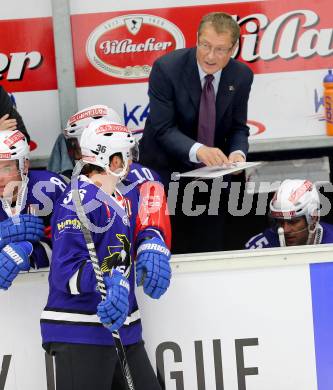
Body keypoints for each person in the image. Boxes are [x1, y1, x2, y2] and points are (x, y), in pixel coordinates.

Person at [41, 119, 171, 390]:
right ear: (112, 160)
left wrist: (151, 243)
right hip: (81, 331)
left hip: (124, 330)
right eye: (126, 155)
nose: (131, 162)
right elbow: (66, 271)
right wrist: (107, 282)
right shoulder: (78, 200)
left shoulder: (119, 197)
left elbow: (144, 223)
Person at [139, 12, 253, 253]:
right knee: (168, 250)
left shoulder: (241, 75)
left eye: (220, 49)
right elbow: (162, 128)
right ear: (197, 39)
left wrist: (238, 154)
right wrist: (199, 150)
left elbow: (237, 127)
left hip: (210, 178)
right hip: (164, 173)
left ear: (233, 49)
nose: (210, 56)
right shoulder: (167, 69)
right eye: (205, 45)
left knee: (210, 247)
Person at [0, 130, 66, 289]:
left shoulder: (50, 187)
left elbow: (75, 246)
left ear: (25, 166)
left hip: (47, 290)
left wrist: (31, 251)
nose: (0, 177)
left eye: (7, 168)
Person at [245, 179, 333, 249]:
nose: (285, 230)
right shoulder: (259, 247)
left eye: (293, 222)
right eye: (280, 221)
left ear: (313, 218)